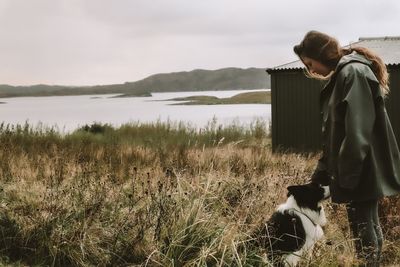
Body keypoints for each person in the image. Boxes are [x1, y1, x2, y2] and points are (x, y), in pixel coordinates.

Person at [293, 30, 400, 266]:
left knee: (364, 228)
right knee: (368, 223)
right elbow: (336, 132)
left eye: (310, 64)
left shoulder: (352, 72)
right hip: (361, 165)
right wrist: (322, 172)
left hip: (360, 165)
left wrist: (348, 176)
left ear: (320, 55)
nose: (311, 71)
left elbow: (357, 131)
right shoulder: (347, 72)